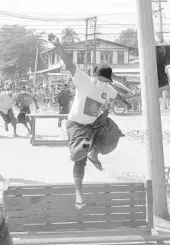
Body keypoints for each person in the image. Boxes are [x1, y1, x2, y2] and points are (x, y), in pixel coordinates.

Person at [49, 34, 131, 210]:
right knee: (79, 158)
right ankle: (79, 192)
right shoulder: (84, 80)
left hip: (93, 124)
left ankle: (93, 152)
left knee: (113, 132)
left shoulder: (107, 88)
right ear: (94, 76)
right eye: (100, 80)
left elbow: (118, 97)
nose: (102, 84)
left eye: (106, 81)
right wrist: (58, 46)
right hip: (76, 125)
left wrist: (127, 102)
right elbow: (69, 64)